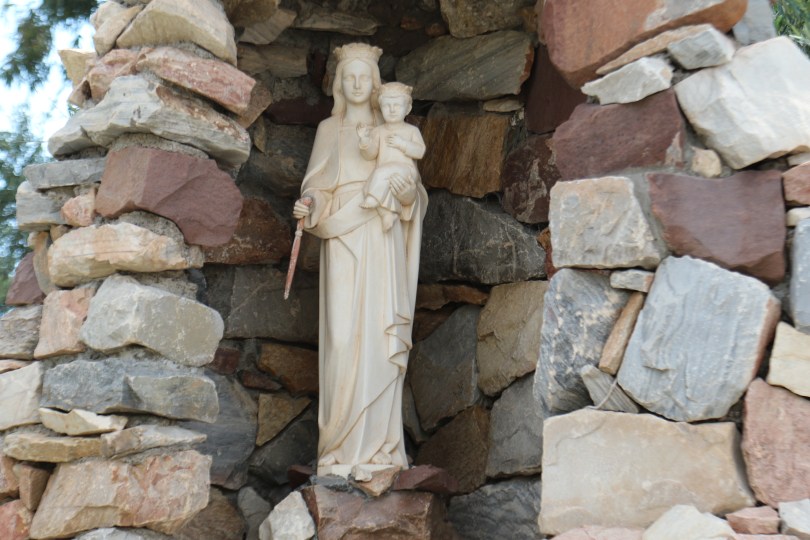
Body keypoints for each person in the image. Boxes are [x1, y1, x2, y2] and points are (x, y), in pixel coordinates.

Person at [292, 43, 428, 474]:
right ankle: (338, 447)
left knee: (378, 334)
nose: (356, 84)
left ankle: (381, 447)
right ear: (338, 83)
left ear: (375, 84)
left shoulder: (392, 128)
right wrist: (308, 204)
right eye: (348, 76)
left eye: (364, 77)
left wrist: (406, 194)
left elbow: (412, 189)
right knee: (342, 336)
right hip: (343, 235)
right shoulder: (328, 130)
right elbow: (316, 185)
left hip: (381, 234)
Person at [357, 82, 426, 231]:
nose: (392, 110)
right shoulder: (378, 131)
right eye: (387, 106)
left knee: (377, 181)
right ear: (381, 108)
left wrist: (402, 144)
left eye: (397, 105)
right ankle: (387, 214)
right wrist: (364, 140)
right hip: (384, 173)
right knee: (371, 185)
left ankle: (375, 199)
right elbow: (370, 154)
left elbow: (420, 151)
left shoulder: (411, 131)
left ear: (408, 109)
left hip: (406, 172)